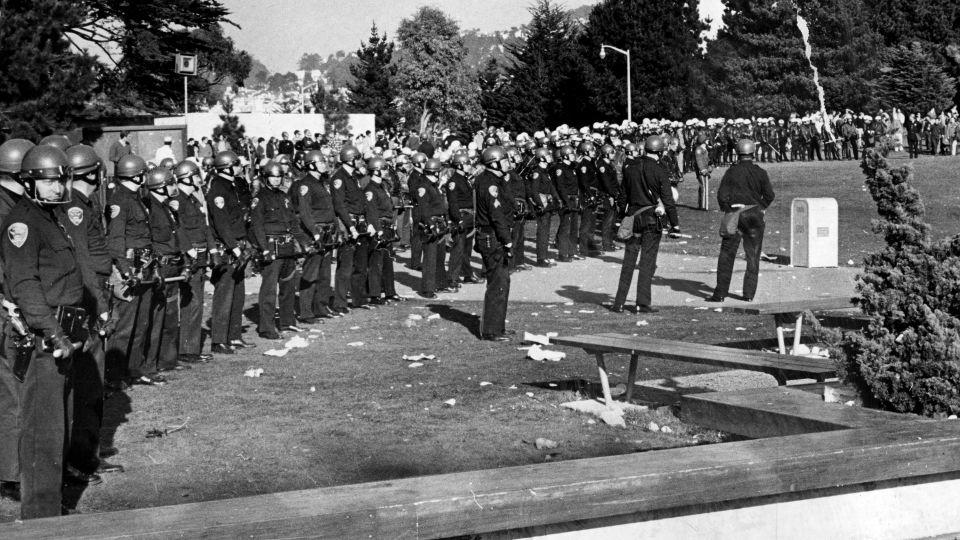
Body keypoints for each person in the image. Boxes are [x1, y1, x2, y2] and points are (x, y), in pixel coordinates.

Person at [2, 145, 93, 518]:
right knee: (42, 430)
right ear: (30, 183)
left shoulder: (49, 217)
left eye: (61, 180)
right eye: (51, 182)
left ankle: (49, 504)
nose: (59, 188)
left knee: (57, 425)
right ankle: (40, 517)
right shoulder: (21, 224)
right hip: (43, 338)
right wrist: (53, 332)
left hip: (62, 331)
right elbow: (25, 286)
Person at [59, 144, 122, 481]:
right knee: (88, 384)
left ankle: (89, 453)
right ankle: (81, 458)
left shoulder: (82, 205)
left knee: (92, 385)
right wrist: (99, 307)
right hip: (89, 300)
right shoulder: (76, 210)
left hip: (96, 292)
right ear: (92, 173)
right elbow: (83, 263)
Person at [105, 153, 161, 386]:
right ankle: (115, 375)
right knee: (125, 326)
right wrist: (125, 271)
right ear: (137, 175)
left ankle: (135, 370)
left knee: (141, 323)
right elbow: (115, 240)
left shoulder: (136, 197)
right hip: (130, 269)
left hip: (144, 266)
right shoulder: (119, 200)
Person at [611, 135, 679, 314]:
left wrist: (623, 215)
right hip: (651, 218)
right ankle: (642, 303)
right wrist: (675, 225)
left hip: (633, 217)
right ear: (660, 151)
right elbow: (668, 200)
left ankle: (618, 302)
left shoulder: (630, 167)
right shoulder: (659, 169)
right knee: (647, 262)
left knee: (628, 261)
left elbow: (623, 196)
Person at [0, 138, 33, 503]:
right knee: (11, 391)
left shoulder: (16, 205)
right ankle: (11, 473)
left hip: (13, 303)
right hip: (8, 308)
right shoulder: (7, 209)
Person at [706, 139, 775, 303]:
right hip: (754, 214)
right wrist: (760, 207)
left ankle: (720, 293)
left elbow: (722, 196)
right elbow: (770, 195)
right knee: (753, 256)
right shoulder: (761, 172)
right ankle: (749, 294)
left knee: (726, 255)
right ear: (753, 153)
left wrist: (728, 208)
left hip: (735, 215)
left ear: (738, 153)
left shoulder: (731, 172)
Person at [250, 161, 307, 339]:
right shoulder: (259, 199)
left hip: (288, 248)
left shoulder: (284, 197)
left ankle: (287, 322)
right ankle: (266, 328)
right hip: (272, 247)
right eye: (272, 177)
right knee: (269, 290)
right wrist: (264, 249)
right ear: (265, 178)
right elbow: (257, 226)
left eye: (278, 177)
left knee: (288, 287)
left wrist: (304, 242)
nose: (276, 180)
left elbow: (293, 223)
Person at [206, 150, 253, 354]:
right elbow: (221, 221)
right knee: (224, 295)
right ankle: (219, 340)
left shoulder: (233, 185)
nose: (241, 167)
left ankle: (234, 336)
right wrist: (234, 247)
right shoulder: (218, 187)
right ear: (228, 166)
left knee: (238, 294)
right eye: (237, 164)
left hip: (238, 244)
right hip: (229, 247)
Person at [142, 167, 187, 373]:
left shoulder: (166, 206)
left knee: (170, 315)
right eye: (170, 183)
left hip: (172, 264)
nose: (173, 187)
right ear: (161, 186)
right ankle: (153, 362)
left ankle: (167, 360)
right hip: (162, 265)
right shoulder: (150, 207)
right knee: (159, 316)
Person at [172, 160, 215, 364]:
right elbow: (178, 229)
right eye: (196, 175)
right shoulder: (178, 200)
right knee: (192, 302)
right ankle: (187, 350)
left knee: (197, 302)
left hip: (199, 255)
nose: (199, 179)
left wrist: (211, 249)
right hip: (189, 257)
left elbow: (204, 227)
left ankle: (191, 348)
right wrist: (189, 251)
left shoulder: (193, 200)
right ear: (187, 177)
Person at [291, 150, 339, 321]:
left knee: (325, 273)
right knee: (311, 273)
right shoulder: (304, 184)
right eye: (320, 162)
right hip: (316, 233)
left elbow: (330, 208)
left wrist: (336, 229)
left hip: (328, 231)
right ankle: (305, 311)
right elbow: (304, 212)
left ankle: (321, 307)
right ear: (311, 165)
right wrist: (315, 233)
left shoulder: (322, 182)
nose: (324, 165)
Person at [473, 146, 513, 341]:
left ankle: (498, 326)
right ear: (494, 163)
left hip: (493, 235)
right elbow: (496, 215)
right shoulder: (490, 184)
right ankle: (491, 330)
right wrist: (508, 240)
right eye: (504, 160)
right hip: (492, 236)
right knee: (497, 282)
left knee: (502, 282)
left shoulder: (493, 180)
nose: (508, 163)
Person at [415, 158, 448, 298]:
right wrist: (430, 224)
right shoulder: (424, 186)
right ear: (435, 172)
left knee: (440, 256)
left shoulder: (434, 186)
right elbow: (423, 208)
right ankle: (427, 289)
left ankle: (440, 283)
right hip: (430, 224)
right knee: (430, 258)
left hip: (439, 223)